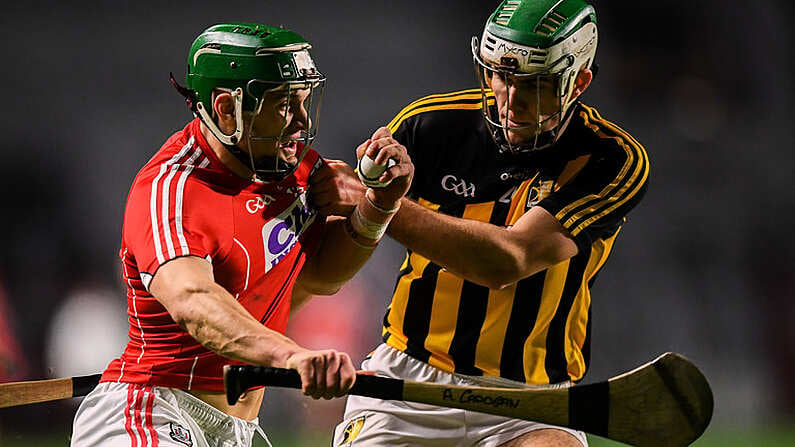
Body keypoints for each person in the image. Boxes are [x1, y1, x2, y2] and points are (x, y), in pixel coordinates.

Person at [70, 22, 413, 447]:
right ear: (227, 108)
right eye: (285, 104)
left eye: (304, 101)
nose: (301, 121)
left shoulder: (295, 168)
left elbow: (320, 278)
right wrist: (292, 355)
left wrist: (377, 208)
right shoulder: (170, 188)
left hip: (239, 430)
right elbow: (193, 303)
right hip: (153, 410)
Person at [326, 1, 649, 446]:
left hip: (532, 402)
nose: (512, 100)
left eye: (536, 84)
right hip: (408, 385)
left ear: (580, 82)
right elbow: (348, 231)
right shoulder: (428, 126)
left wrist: (382, 204)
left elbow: (508, 260)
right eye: (501, 75)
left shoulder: (611, 158)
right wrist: (367, 186)